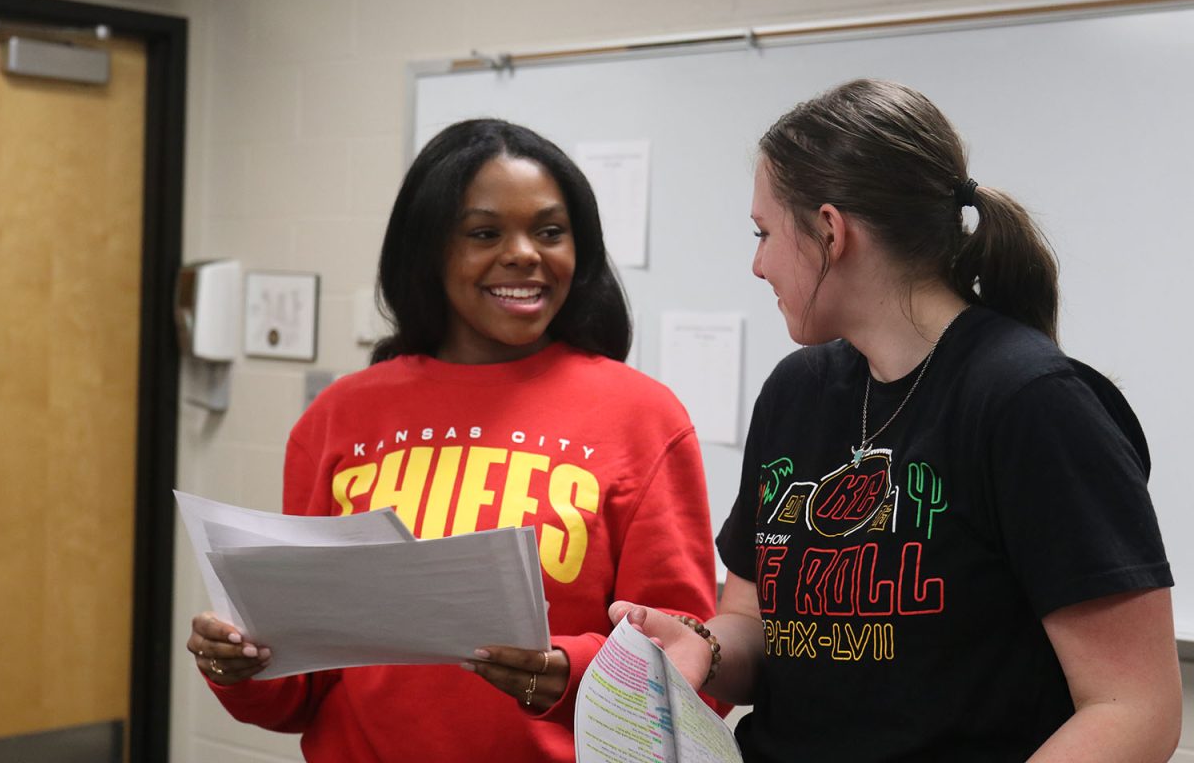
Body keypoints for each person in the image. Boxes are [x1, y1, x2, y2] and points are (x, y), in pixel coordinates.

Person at [611, 78, 1181, 762]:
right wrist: (701, 644)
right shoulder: (798, 392)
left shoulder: (1031, 403)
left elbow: (1133, 708)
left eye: (764, 234)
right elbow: (751, 622)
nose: (757, 264)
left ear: (830, 230)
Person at [186, 118, 720, 761]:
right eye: (485, 233)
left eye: (550, 231)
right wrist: (239, 665)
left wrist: (564, 670)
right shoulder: (339, 417)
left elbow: (692, 673)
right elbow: (303, 690)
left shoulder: (642, 416)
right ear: (430, 251)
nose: (525, 253)